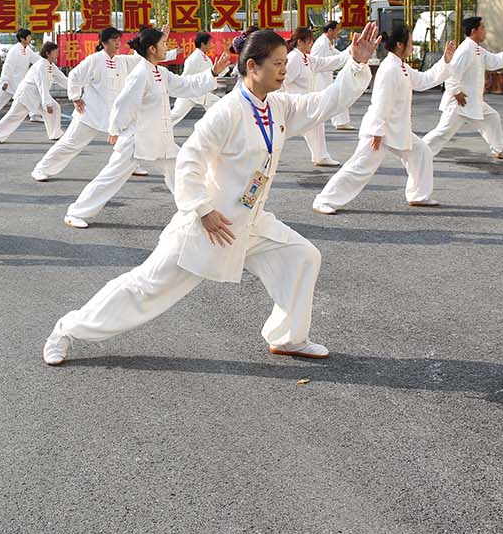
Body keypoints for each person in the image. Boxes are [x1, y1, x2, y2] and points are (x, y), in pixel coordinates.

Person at [42, 24, 380, 367]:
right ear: (252, 67)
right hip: (208, 227)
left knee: (303, 256)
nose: (285, 70)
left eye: (284, 62)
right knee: (145, 289)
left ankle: (288, 337)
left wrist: (354, 63)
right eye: (277, 63)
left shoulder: (277, 106)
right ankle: (67, 329)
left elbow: (324, 103)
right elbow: (189, 159)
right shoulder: (227, 111)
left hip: (249, 222)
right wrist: (201, 209)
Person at [63, 26, 229, 229]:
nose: (165, 47)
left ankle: (195, 211)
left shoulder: (160, 72)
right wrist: (115, 130)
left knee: (180, 169)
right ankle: (75, 212)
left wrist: (212, 72)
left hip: (158, 138)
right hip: (136, 140)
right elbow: (123, 104)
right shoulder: (140, 73)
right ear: (152, 49)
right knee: (109, 179)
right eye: (162, 44)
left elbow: (185, 85)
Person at [312, 27, 455, 214]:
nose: (412, 47)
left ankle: (418, 196)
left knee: (421, 152)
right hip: (380, 130)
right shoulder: (390, 68)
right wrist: (377, 131)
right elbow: (380, 101)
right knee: (360, 168)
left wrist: (445, 62)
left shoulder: (401, 67)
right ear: (399, 44)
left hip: (397, 129)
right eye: (410, 43)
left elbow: (423, 80)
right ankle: (324, 200)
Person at [31, 27, 135, 182]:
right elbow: (74, 75)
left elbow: (146, 60)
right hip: (90, 113)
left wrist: (166, 46)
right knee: (70, 143)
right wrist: (75, 97)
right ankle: (41, 169)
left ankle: (132, 166)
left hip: (115, 114)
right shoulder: (94, 59)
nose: (117, 43)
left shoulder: (122, 61)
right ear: (104, 42)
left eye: (119, 40)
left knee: (130, 139)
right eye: (114, 40)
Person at [422, 17, 503, 159]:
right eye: (482, 28)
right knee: (443, 132)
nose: (485, 31)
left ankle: (499, 150)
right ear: (473, 31)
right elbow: (452, 74)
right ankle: (419, 152)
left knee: (492, 117)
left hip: (472, 101)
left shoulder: (476, 49)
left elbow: (495, 61)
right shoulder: (465, 50)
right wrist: (457, 93)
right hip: (459, 101)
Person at [281, 25, 349, 166]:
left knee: (316, 123)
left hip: (305, 103)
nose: (311, 44)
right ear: (299, 42)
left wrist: (352, 51)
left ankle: (321, 156)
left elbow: (328, 62)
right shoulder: (293, 58)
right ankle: (260, 157)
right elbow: (281, 82)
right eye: (309, 41)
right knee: (277, 134)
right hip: (294, 105)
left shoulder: (306, 58)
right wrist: (278, 103)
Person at [0, 41, 68, 144]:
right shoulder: (41, 66)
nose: (57, 54)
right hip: (26, 95)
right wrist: (47, 103)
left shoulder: (51, 66)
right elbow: (42, 86)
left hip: (37, 96)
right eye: (55, 52)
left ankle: (55, 133)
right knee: (14, 116)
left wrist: (77, 87)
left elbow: (63, 80)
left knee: (55, 108)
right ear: (48, 53)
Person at [169, 32, 224, 125]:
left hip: (199, 92)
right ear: (203, 44)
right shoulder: (193, 58)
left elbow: (212, 74)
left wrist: (223, 68)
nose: (211, 45)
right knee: (175, 115)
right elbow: (186, 77)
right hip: (191, 92)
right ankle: (158, 128)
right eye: (210, 42)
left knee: (217, 108)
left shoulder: (205, 58)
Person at [311, 21, 354, 130]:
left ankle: (341, 122)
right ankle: (339, 122)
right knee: (331, 99)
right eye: (336, 30)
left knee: (336, 98)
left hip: (325, 76)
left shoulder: (327, 43)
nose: (338, 32)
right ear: (330, 30)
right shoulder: (321, 43)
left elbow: (338, 55)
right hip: (320, 77)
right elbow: (317, 62)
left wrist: (352, 49)